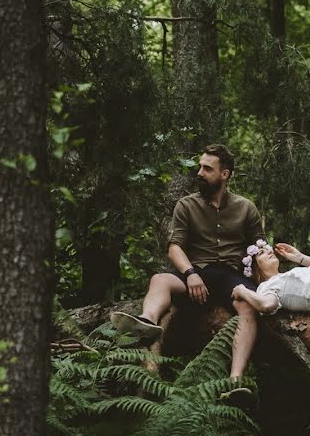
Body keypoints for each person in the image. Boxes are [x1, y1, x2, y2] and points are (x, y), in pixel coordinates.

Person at [110, 144, 264, 400]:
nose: (200, 173)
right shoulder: (186, 205)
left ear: (224, 174)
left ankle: (235, 382)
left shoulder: (246, 208)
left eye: (207, 168)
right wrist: (190, 273)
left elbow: (259, 249)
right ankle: (147, 322)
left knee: (248, 305)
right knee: (160, 279)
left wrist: (268, 282)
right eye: (199, 167)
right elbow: (174, 247)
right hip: (197, 275)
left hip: (230, 276)